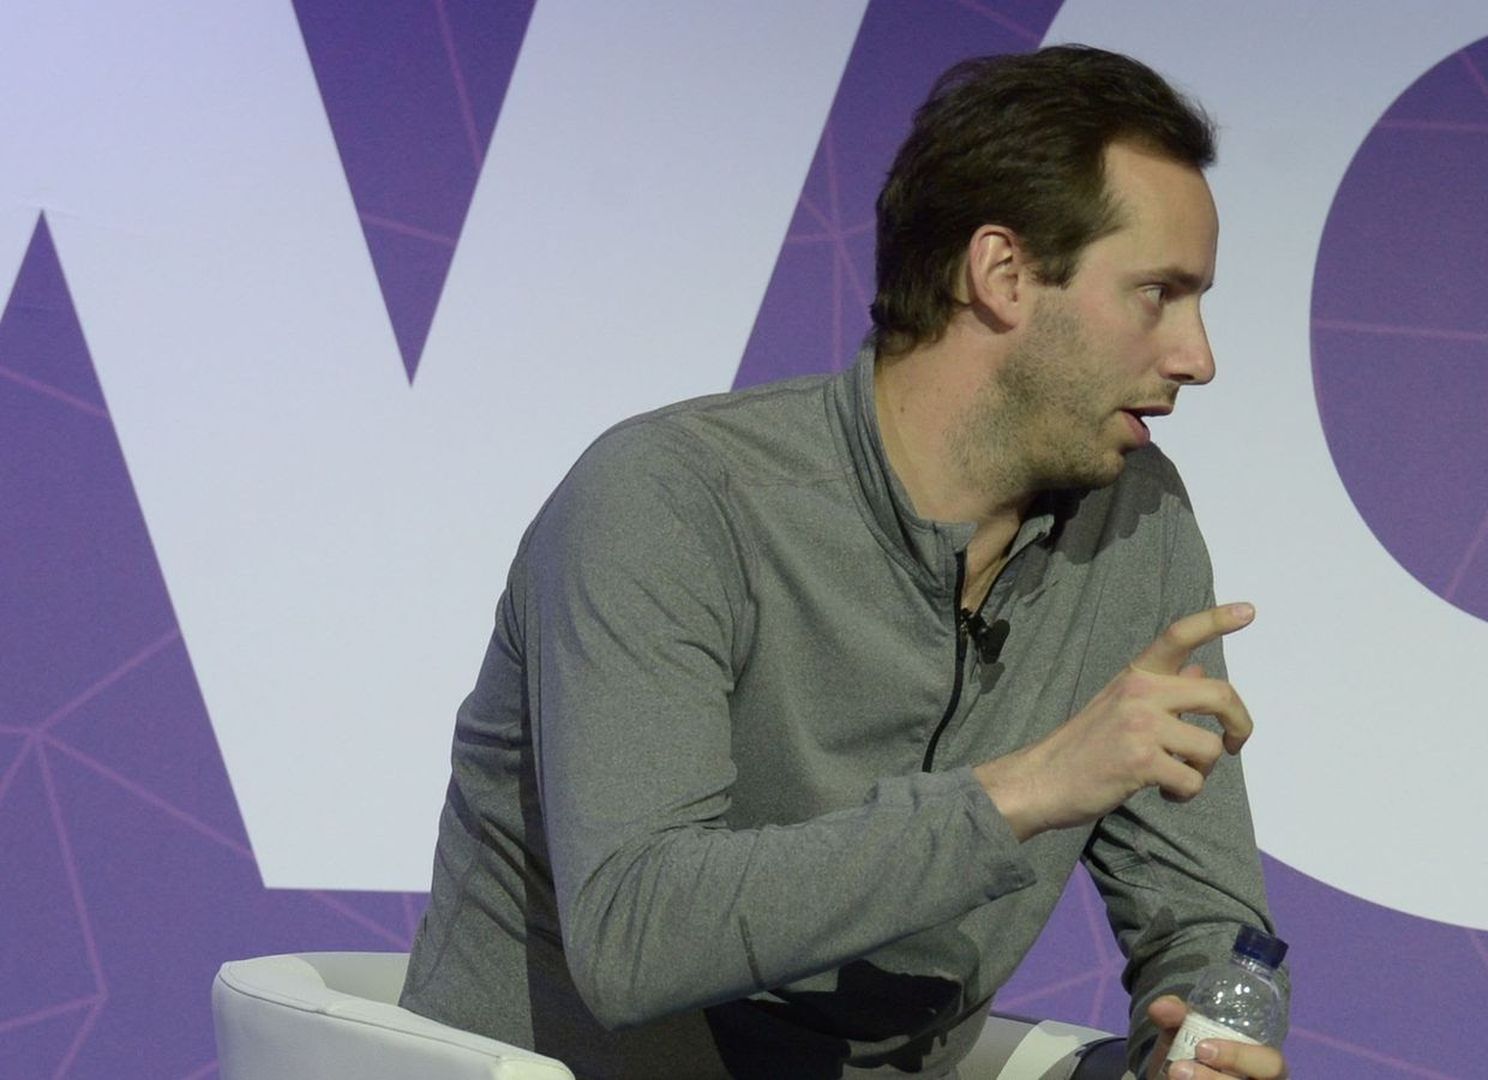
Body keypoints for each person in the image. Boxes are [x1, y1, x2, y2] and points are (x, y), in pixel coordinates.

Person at [400, 44, 1288, 1080]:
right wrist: (1022, 792)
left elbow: (1208, 917)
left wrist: (1202, 1035)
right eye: (1158, 293)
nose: (1199, 356)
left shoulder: (1137, 521)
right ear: (1002, 274)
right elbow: (634, 937)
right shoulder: (672, 497)